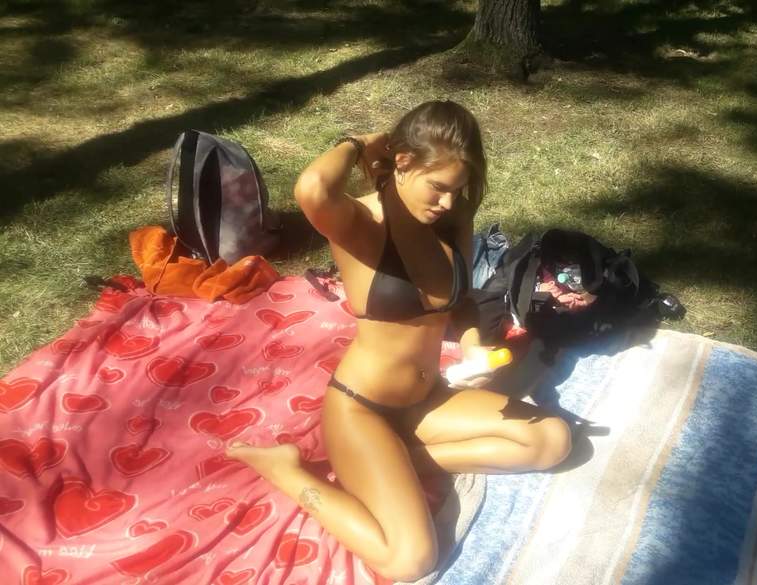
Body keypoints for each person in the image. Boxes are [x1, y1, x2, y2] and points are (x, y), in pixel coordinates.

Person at [226, 100, 573, 582]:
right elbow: (311, 188)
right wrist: (359, 143)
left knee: (552, 440)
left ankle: (399, 464)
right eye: (439, 187)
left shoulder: (450, 219)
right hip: (363, 410)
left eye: (458, 189)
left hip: (426, 401)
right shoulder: (362, 223)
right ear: (404, 163)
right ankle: (288, 471)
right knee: (409, 560)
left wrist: (472, 346)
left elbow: (462, 303)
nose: (448, 202)